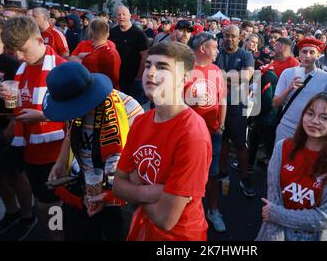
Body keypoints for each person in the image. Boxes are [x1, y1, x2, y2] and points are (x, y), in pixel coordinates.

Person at [113, 41, 212, 241]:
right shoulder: (141, 120)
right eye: (148, 65)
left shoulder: (192, 134)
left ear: (184, 78)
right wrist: (152, 192)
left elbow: (166, 218)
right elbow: (117, 185)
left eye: (162, 67)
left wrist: (135, 185)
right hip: (143, 227)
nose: (150, 72)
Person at [44, 62, 143, 240]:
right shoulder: (71, 106)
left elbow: (141, 156)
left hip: (119, 191)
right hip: (82, 185)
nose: (69, 112)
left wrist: (111, 191)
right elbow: (69, 135)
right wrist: (60, 162)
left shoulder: (129, 107)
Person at [0, 15, 67, 240]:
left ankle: (58, 236)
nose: (18, 57)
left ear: (40, 40)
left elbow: (79, 115)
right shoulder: (21, 69)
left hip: (56, 154)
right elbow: (19, 107)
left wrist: (43, 116)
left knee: (51, 204)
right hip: (30, 150)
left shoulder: (62, 69)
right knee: (42, 202)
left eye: (23, 50)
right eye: (13, 52)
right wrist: (9, 100)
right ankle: (54, 232)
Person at [256, 93, 327, 241]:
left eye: (324, 117)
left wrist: (277, 215)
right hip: (275, 233)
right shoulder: (283, 147)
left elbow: (325, 218)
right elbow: (274, 196)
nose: (314, 121)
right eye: (310, 113)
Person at [0, 15, 35, 241]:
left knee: (15, 176)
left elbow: (22, 102)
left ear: (1, 36)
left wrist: (7, 132)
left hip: (4, 131)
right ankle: (11, 212)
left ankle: (27, 215)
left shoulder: (13, 65)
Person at [185, 32, 227, 232]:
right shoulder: (184, 70)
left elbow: (222, 100)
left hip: (213, 132)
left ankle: (213, 210)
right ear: (203, 48)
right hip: (188, 135)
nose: (218, 50)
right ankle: (187, 212)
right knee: (187, 173)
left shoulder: (217, 70)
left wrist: (222, 125)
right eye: (215, 46)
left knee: (213, 173)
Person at [215, 25, 256, 197]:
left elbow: (246, 78)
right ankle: (223, 172)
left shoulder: (245, 55)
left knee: (240, 144)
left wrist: (220, 76)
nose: (229, 39)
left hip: (237, 105)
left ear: (239, 38)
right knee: (221, 141)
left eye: (233, 36)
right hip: (217, 105)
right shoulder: (217, 54)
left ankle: (245, 177)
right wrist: (233, 78)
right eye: (226, 35)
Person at [273, 37, 327, 143]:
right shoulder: (287, 73)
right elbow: (275, 103)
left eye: (312, 52)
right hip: (286, 127)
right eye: (304, 52)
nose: (307, 56)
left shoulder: (326, 78)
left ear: (318, 55)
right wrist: (289, 88)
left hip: (310, 130)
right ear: (299, 54)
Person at [109, 6, 149, 105]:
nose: (121, 17)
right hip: (116, 79)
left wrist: (139, 77)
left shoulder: (138, 34)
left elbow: (145, 57)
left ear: (130, 16)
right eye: (119, 14)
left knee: (134, 110)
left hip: (133, 80)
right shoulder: (112, 32)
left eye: (124, 14)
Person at [70, 18, 121, 89]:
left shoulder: (90, 59)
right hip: (114, 93)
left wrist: (82, 56)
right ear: (108, 35)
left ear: (90, 34)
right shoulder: (115, 53)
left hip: (99, 94)